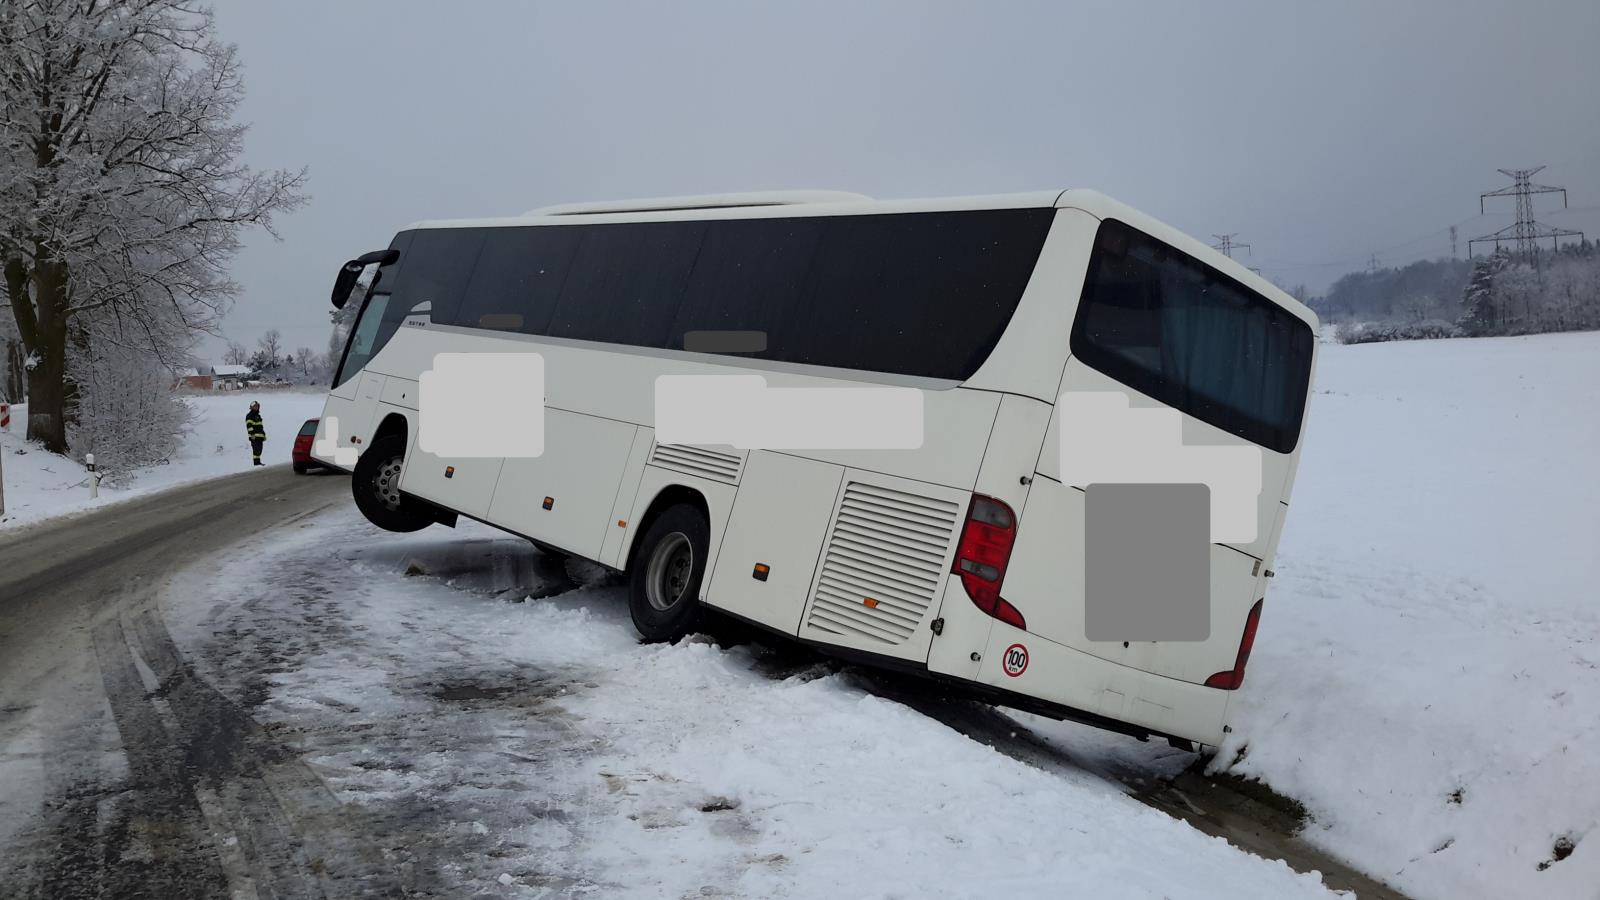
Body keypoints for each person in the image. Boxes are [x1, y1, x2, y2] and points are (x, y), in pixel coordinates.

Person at [245, 400, 267, 466]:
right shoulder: (250, 415)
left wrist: (263, 435)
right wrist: (252, 434)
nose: (256, 407)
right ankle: (256, 463)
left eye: (257, 406)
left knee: (259, 449)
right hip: (254, 436)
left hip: (260, 436)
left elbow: (260, 427)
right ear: (251, 407)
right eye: (255, 406)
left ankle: (258, 462)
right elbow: (249, 426)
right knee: (256, 450)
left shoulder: (258, 416)